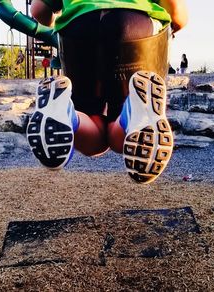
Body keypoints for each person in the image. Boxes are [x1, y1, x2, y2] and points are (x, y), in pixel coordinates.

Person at [29, 0, 188, 184]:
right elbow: (178, 14)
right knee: (120, 136)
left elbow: (38, 10)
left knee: (92, 131)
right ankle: (133, 109)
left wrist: (53, 18)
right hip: (135, 25)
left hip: (78, 29)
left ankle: (67, 113)